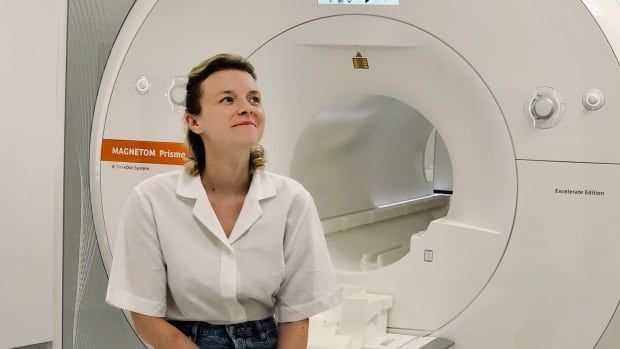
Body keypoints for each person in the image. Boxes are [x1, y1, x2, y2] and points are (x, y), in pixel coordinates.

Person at [106, 53, 341, 349]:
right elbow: (144, 314)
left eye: (254, 99)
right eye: (228, 100)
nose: (246, 108)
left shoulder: (293, 200)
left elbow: (296, 315)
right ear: (194, 121)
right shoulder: (151, 200)